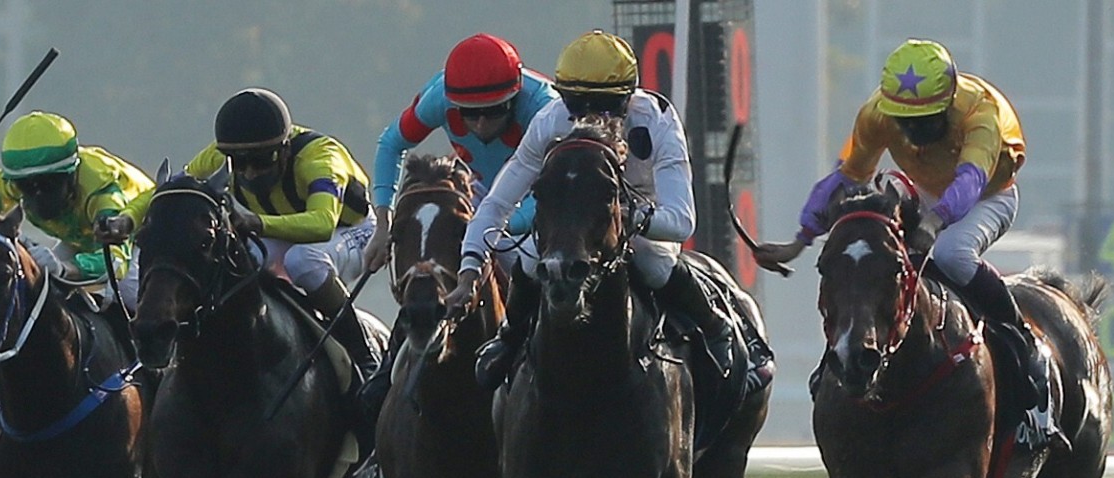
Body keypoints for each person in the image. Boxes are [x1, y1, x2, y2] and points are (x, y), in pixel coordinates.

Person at [754, 39, 1049, 437]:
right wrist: (800, 240)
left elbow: (969, 181)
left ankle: (1020, 338)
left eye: (926, 122)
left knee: (952, 254)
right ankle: (845, 350)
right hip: (923, 188)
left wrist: (933, 222)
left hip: (986, 196)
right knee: (874, 223)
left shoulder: (982, 113)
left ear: (948, 101)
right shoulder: (876, 114)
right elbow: (847, 178)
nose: (914, 135)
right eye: (905, 123)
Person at [464, 30, 771, 395]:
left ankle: (716, 326)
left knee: (654, 264)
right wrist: (470, 262)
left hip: (640, 215)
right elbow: (497, 203)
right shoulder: (549, 122)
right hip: (577, 221)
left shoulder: (657, 120)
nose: (592, 118)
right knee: (532, 261)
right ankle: (510, 335)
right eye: (578, 107)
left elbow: (682, 221)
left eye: (605, 107)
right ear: (564, 100)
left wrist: (628, 216)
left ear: (628, 98)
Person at [99, 88, 380, 385]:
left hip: (349, 231)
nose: (249, 173)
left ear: (284, 148)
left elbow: (322, 223)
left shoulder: (320, 159)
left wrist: (255, 222)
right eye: (240, 163)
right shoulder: (219, 155)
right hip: (282, 228)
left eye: (261, 161)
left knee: (303, 261)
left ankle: (363, 354)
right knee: (239, 258)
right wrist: (127, 219)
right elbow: (172, 190)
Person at [356, 33, 557, 414]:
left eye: (493, 112)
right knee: (432, 259)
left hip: (539, 197)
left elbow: (551, 190)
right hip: (482, 192)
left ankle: (542, 362)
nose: (479, 124)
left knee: (529, 264)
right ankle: (391, 364)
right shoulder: (439, 99)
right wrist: (383, 223)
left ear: (515, 98)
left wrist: (498, 226)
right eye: (469, 113)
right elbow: (391, 144)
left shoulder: (545, 108)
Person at [0, 110, 151, 314]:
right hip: (80, 241)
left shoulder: (101, 192)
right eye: (27, 187)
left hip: (139, 240)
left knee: (131, 295)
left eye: (48, 184)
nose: (38, 195)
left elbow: (115, 264)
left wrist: (65, 269)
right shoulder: (8, 183)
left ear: (72, 174)